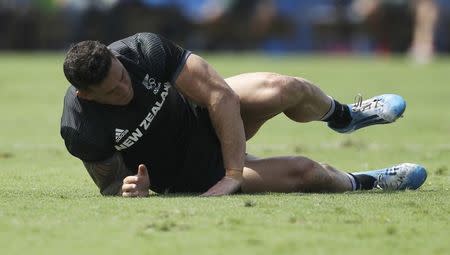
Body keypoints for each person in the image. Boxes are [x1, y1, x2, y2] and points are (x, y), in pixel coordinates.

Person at [60, 32, 427, 197]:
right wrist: (130, 190)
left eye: (122, 78)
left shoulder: (142, 50)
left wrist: (236, 173)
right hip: (191, 173)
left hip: (203, 113)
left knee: (285, 87)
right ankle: (369, 182)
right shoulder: (80, 127)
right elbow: (109, 183)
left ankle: (345, 115)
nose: (124, 90)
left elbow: (220, 94)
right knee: (305, 171)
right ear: (85, 94)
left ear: (115, 58)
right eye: (110, 93)